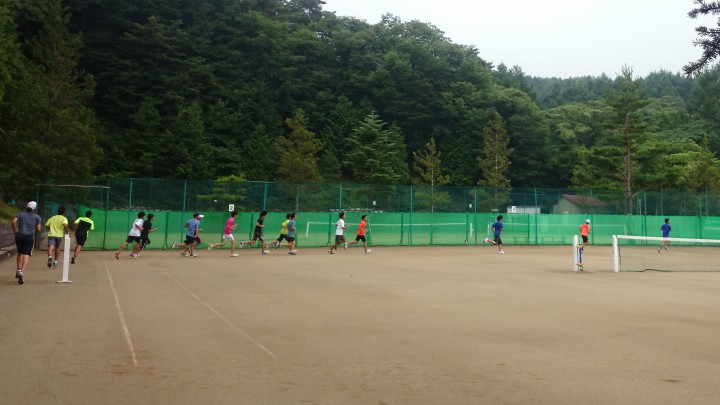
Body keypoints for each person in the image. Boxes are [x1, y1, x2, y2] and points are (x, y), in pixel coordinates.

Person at [12, 201, 42, 285]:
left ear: (27, 207)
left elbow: (14, 221)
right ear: (34, 209)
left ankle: (18, 269)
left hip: (19, 236)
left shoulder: (20, 214)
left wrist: (15, 231)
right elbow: (39, 229)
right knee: (26, 254)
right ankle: (22, 272)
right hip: (29, 237)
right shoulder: (37, 217)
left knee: (20, 252)